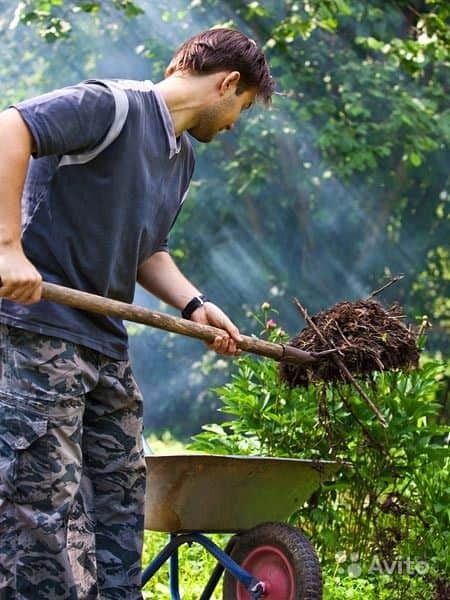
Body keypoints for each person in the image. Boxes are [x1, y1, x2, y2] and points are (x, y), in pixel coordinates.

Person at [0, 28, 274, 599]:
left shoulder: (181, 160)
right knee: (43, 511)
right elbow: (11, 127)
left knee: (120, 504)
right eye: (241, 108)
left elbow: (149, 250)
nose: (232, 124)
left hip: (104, 342)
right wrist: (7, 249)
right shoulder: (111, 106)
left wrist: (196, 305)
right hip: (38, 333)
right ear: (227, 84)